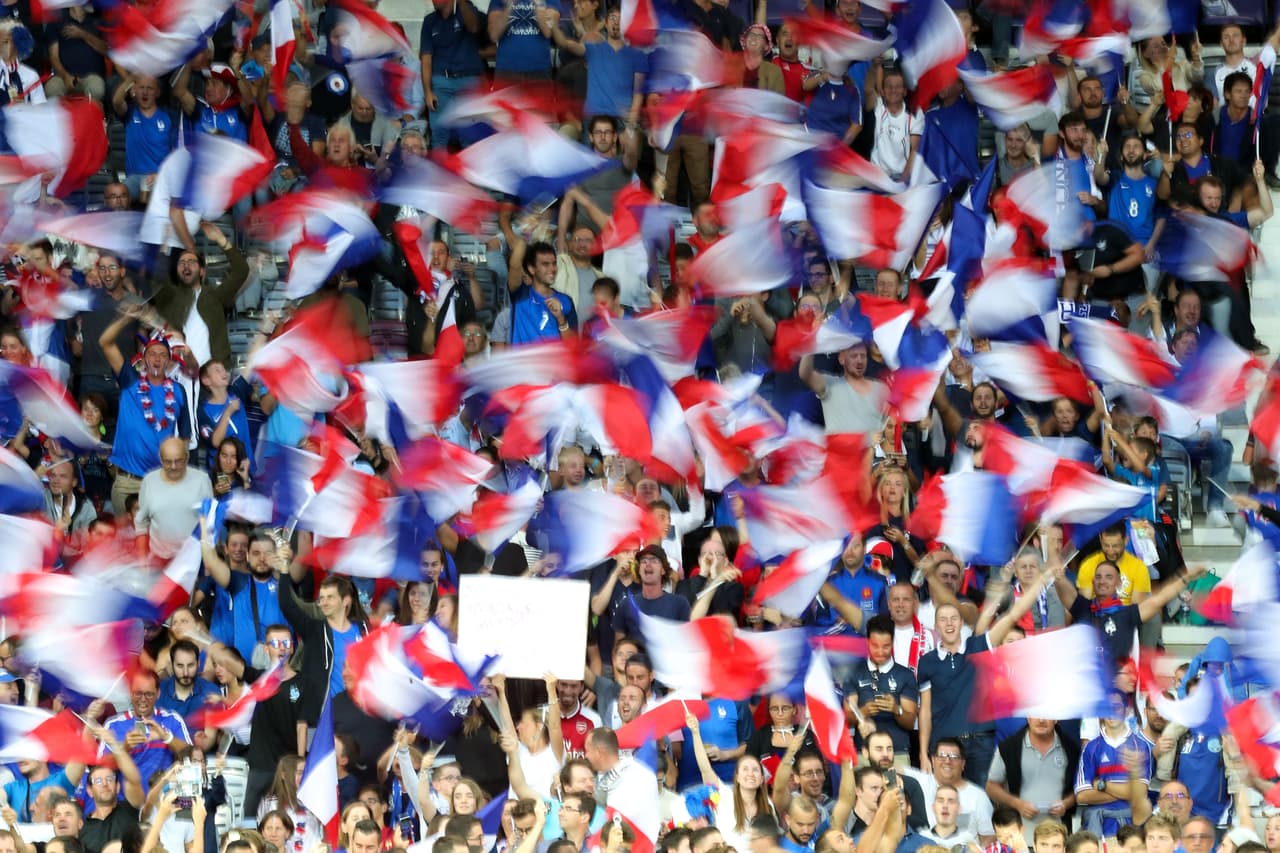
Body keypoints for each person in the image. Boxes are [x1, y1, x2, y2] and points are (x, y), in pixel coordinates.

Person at [918, 565, 1054, 788]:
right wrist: (923, 753)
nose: (949, 624)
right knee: (948, 804)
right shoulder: (927, 661)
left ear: (962, 622)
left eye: (954, 618)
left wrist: (1040, 582)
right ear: (935, 626)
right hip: (945, 746)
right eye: (943, 619)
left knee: (983, 805)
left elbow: (1012, 615)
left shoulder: (978, 647)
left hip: (981, 743)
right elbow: (924, 710)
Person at [99, 313, 192, 516]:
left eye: (162, 355)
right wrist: (126, 318)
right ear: (143, 359)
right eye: (152, 354)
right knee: (125, 544)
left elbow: (185, 437)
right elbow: (105, 342)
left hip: (161, 482)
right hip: (127, 482)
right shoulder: (130, 380)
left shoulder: (178, 391)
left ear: (169, 361)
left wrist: (178, 473)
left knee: (158, 543)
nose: (157, 358)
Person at [985, 718, 1080, 844]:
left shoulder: (1072, 749)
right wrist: (1017, 804)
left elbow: (1082, 789)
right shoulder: (1008, 748)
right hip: (1020, 840)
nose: (1041, 719)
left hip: (1057, 841)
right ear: (1028, 716)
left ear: (1056, 718)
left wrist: (1066, 804)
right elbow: (991, 787)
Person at [101, 669, 192, 794]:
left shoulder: (171, 719)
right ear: (130, 693)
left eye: (149, 694)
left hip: (164, 798)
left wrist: (166, 737)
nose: (143, 699)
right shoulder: (114, 724)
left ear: (158, 693)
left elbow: (192, 756)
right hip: (127, 802)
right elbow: (100, 767)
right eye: (138, 693)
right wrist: (124, 748)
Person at [845, 616, 917, 761]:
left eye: (886, 646)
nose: (880, 651)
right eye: (875, 646)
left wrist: (896, 709)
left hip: (897, 752)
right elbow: (846, 718)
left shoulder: (905, 675)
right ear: (867, 643)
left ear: (893, 643)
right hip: (863, 752)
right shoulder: (854, 672)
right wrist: (862, 712)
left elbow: (910, 722)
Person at [135, 436, 212, 560]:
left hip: (193, 561)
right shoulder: (149, 481)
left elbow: (210, 523)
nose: (174, 466)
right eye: (168, 461)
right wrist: (142, 557)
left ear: (186, 458)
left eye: (178, 461)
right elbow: (141, 522)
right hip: (159, 559)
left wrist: (209, 561)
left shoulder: (202, 480)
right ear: (161, 460)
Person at [798, 343, 888, 435]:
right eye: (854, 356)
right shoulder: (830, 384)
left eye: (863, 356)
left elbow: (890, 427)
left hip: (873, 448)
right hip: (839, 448)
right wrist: (810, 342)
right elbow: (805, 374)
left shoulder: (881, 388)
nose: (859, 360)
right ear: (842, 359)